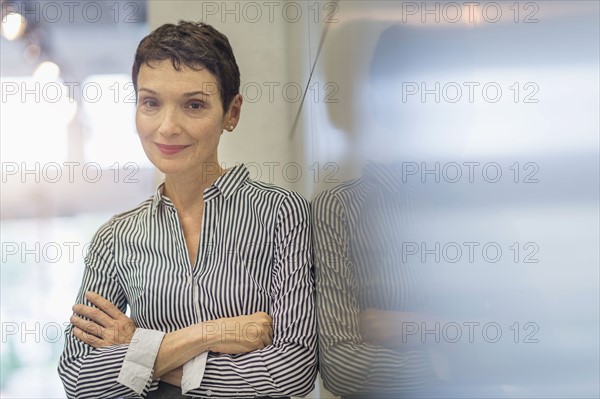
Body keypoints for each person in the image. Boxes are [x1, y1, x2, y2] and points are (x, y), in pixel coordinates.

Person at [58, 21, 317, 399]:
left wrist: (141, 347)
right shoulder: (114, 239)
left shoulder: (282, 215)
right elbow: (79, 378)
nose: (167, 127)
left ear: (232, 112)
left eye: (194, 105)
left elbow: (291, 372)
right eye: (150, 103)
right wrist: (209, 334)